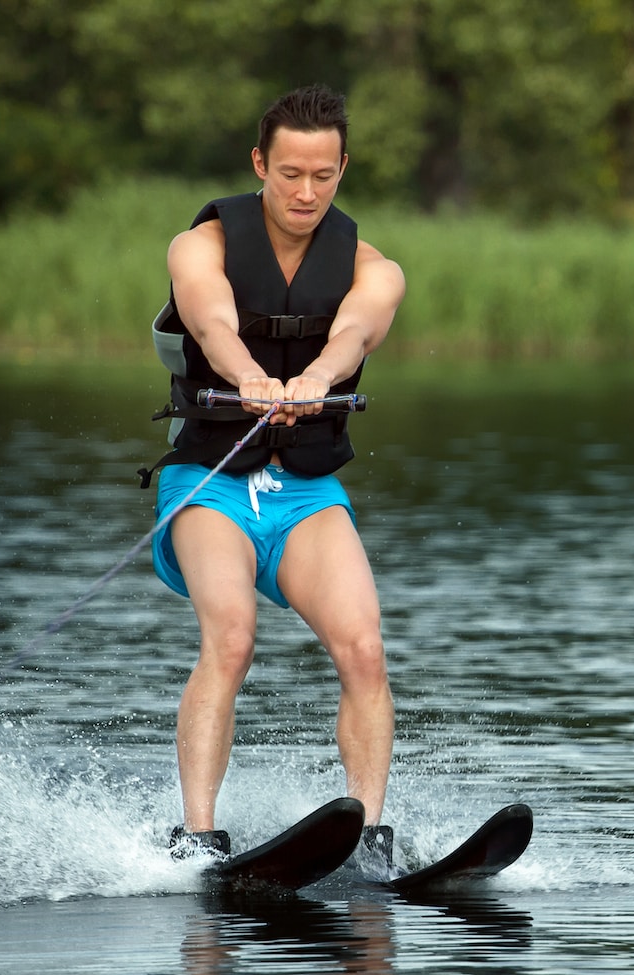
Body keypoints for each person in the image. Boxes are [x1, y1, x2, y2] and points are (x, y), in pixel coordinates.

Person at [140, 84, 406, 864]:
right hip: (211, 479)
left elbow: (356, 327)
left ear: (343, 170)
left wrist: (320, 374)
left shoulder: (374, 269)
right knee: (232, 634)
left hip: (307, 490)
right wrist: (249, 374)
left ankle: (369, 833)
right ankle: (197, 836)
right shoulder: (201, 245)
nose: (305, 191)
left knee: (363, 650)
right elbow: (209, 315)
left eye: (323, 175)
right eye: (290, 172)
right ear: (261, 163)